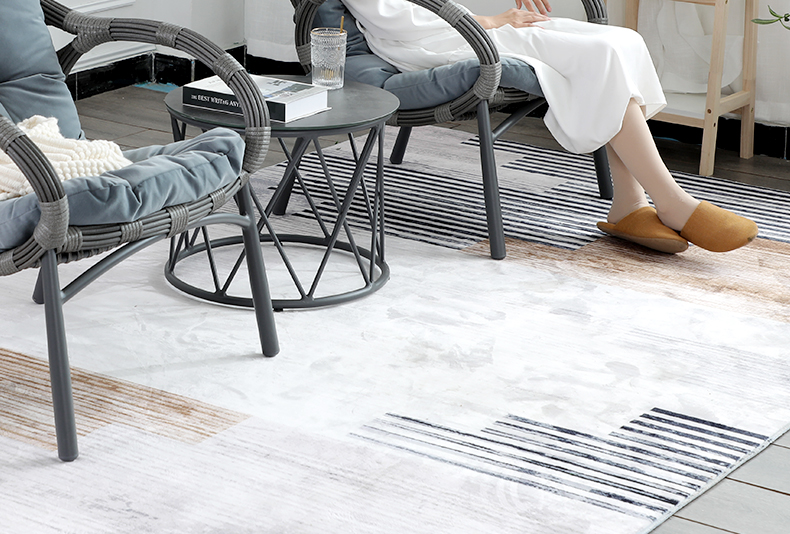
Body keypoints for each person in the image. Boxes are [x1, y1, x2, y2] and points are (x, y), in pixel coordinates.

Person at [340, 0, 759, 253]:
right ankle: (669, 202)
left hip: (461, 25)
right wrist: (493, 20)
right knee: (600, 56)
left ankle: (630, 203)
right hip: (431, 41)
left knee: (623, 41)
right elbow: (395, 19)